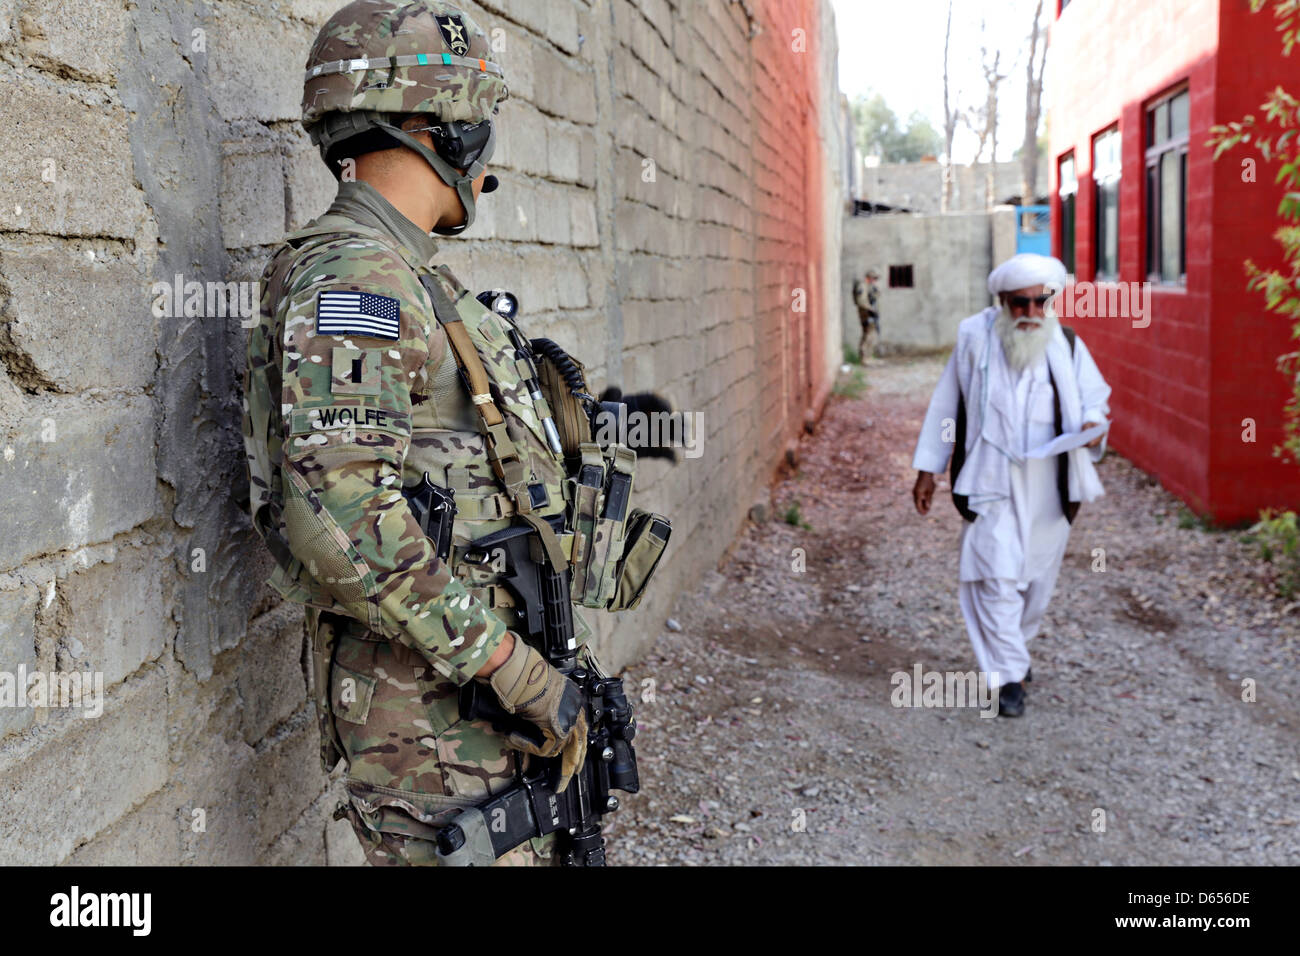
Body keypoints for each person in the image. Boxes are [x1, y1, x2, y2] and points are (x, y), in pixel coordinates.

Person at [243, 0, 612, 865]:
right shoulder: (358, 279)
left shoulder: (408, 276)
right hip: (437, 722)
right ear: (436, 128)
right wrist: (514, 671)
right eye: (478, 119)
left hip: (472, 701)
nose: (486, 157)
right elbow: (342, 520)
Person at [909, 253, 1111, 717]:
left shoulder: (1066, 342)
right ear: (1001, 301)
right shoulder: (973, 338)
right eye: (1021, 304)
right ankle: (1007, 678)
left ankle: (1015, 649)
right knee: (992, 574)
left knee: (1035, 580)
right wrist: (929, 469)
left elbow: (1094, 398)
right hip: (989, 480)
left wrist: (1095, 423)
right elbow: (946, 404)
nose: (1032, 314)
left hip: (1049, 484)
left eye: (1042, 302)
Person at [853, 269, 882, 360]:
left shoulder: (868, 286)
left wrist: (876, 290)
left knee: (871, 333)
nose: (875, 281)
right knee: (869, 333)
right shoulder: (862, 286)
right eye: (874, 278)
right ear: (869, 278)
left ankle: (868, 356)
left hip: (869, 312)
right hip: (866, 312)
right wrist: (871, 310)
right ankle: (865, 357)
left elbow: (875, 297)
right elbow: (861, 301)